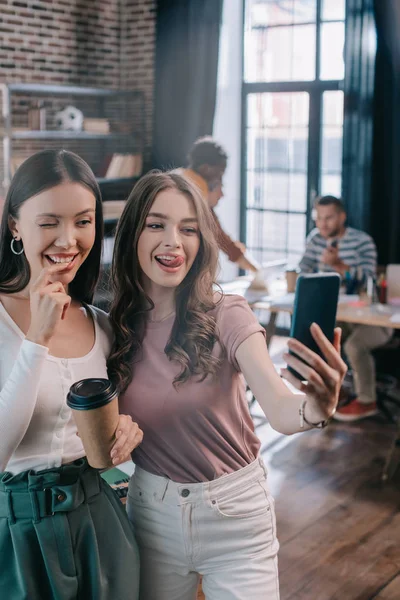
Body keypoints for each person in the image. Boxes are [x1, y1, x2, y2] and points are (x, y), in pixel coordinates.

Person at [107, 171, 347, 600]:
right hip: (150, 510)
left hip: (234, 514)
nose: (173, 242)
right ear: (132, 234)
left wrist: (316, 407)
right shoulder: (115, 329)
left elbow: (277, 405)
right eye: (156, 224)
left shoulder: (227, 313)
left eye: (188, 229)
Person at [0, 149, 142, 600]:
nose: (69, 239)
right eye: (49, 222)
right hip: (15, 536)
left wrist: (127, 433)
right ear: (15, 227)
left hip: (99, 526)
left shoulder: (100, 323)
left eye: (83, 221)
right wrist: (37, 336)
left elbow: (105, 437)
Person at [298, 195, 393, 421]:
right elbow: (303, 270)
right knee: (319, 340)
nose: (323, 224)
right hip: (338, 313)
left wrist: (338, 265)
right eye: (318, 218)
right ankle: (329, 394)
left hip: (373, 318)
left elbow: (369, 279)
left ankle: (366, 401)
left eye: (329, 218)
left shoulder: (361, 241)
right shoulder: (315, 239)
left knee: (354, 345)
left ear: (342, 217)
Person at [179, 136, 259, 272]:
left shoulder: (180, 179)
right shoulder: (195, 193)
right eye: (220, 173)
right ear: (205, 169)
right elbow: (222, 239)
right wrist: (256, 271)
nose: (220, 178)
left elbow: (222, 239)